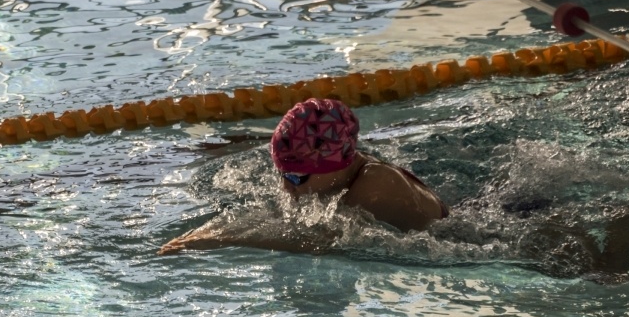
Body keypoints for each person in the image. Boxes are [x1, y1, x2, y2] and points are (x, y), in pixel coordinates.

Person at [158, 98, 449, 255]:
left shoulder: (376, 185)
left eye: (297, 178)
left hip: (452, 240)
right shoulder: (338, 174)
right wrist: (206, 231)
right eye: (282, 174)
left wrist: (223, 240)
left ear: (333, 166)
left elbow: (320, 241)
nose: (286, 187)